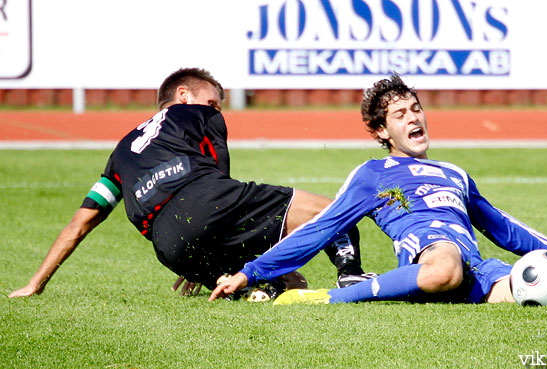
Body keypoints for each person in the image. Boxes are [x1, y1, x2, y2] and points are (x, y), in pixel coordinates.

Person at [210, 73, 547, 305]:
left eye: (416, 108)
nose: (414, 117)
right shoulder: (373, 175)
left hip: (475, 265)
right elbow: (321, 228)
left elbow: (504, 227)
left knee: (532, 285)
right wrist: (250, 273)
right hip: (430, 255)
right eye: (400, 114)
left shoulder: (455, 173)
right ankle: (322, 299)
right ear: (380, 131)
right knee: (444, 266)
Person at [9, 68, 374, 300]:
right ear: (184, 95)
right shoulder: (195, 113)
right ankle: (350, 273)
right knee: (331, 210)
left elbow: (80, 223)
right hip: (206, 202)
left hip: (170, 249)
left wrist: (35, 284)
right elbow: (219, 177)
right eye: (213, 101)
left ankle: (255, 289)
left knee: (292, 284)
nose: (217, 110)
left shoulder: (120, 152)